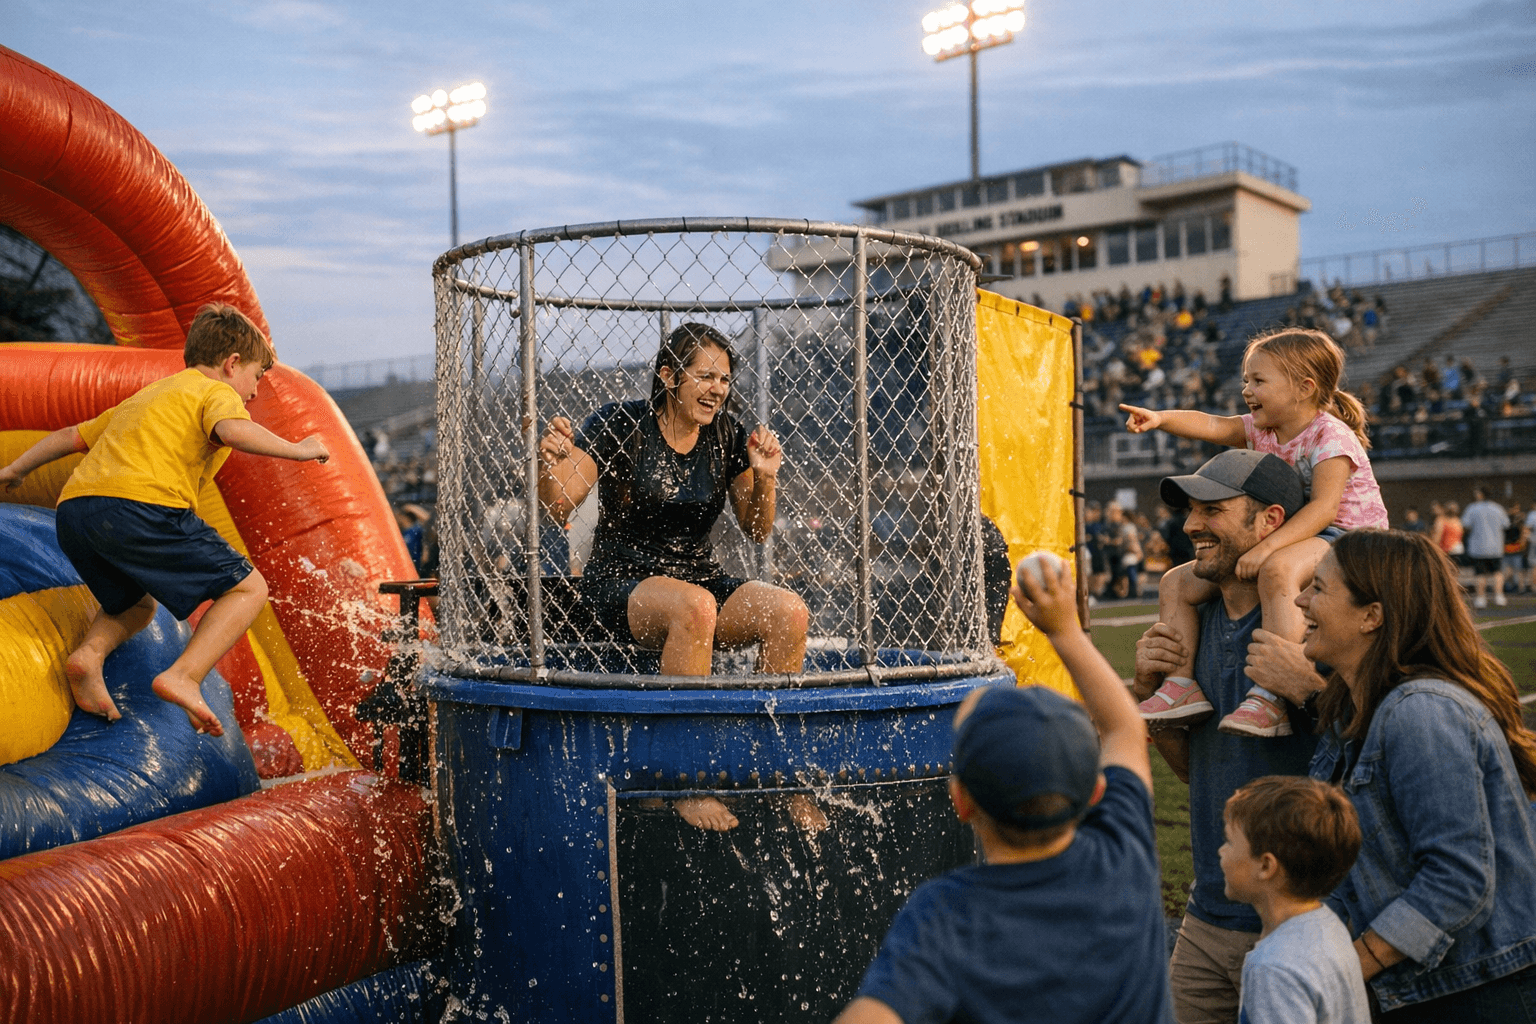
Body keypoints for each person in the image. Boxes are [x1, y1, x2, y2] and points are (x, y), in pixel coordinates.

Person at [836, 554, 1170, 1024]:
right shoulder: (1122, 855)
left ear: (961, 800)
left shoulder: (945, 914)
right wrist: (1065, 631)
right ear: (1096, 793)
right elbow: (1124, 729)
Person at [0, 303, 330, 735]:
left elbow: (70, 436)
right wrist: (300, 448)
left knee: (134, 603)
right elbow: (233, 431)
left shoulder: (151, 395)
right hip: (143, 508)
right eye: (256, 376)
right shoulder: (217, 393)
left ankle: (88, 657)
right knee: (249, 588)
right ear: (232, 364)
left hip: (76, 512)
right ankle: (184, 675)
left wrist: (15, 470)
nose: (255, 390)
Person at [537, 322, 809, 831]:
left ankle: (777, 778)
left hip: (698, 576)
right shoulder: (621, 425)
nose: (717, 390)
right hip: (622, 579)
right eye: (705, 377)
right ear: (669, 376)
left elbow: (756, 528)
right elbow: (558, 505)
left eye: (724, 380)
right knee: (694, 607)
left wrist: (766, 476)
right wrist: (548, 462)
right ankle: (684, 779)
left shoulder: (726, 433)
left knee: (788, 612)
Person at [1300, 530, 1536, 1020]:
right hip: (1423, 986)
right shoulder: (1351, 707)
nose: (1301, 600)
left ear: (1372, 615)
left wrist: (1346, 966)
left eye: (1318, 588)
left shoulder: (1421, 713)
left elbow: (1458, 880)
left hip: (1474, 995)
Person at [1132, 448, 1324, 1024]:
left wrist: (1308, 689)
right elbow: (1195, 769)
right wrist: (1152, 694)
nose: (1191, 524)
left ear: (1269, 522)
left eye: (1212, 509)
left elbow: (1365, 749)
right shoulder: (1190, 625)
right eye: (1191, 510)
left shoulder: (1321, 629)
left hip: (1303, 918)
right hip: (1208, 915)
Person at [1123, 328, 1387, 738]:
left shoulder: (1331, 435)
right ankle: (1180, 685)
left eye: (1258, 380)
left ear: (1304, 387)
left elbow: (1324, 508)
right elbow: (1212, 424)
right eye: (1246, 380)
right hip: (1305, 536)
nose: (1247, 389)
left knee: (1277, 571)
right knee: (1176, 582)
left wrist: (1269, 548)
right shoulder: (1261, 429)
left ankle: (1270, 695)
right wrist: (1160, 419)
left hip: (1350, 540)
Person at [1220, 776, 1369, 1024]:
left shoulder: (1274, 968)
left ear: (1266, 865)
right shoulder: (1327, 925)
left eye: (1229, 842)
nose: (1221, 851)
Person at [1460, 486, 1509, 608]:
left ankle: (1481, 598)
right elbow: (1506, 524)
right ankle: (1499, 596)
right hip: (1496, 547)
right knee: (1497, 572)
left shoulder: (1472, 508)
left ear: (1481, 495)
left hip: (1478, 547)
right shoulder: (1498, 508)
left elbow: (1465, 525)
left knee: (1480, 573)